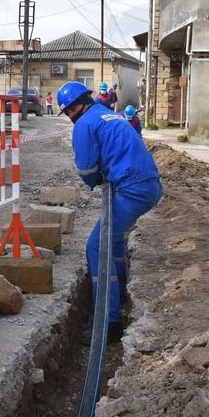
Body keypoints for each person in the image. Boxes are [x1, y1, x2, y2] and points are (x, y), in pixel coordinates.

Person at [57, 81, 162, 344]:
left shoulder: (84, 124)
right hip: (147, 183)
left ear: (77, 106)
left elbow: (86, 169)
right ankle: (121, 291)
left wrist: (96, 180)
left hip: (133, 189)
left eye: (69, 111)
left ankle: (108, 323)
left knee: (97, 246)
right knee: (112, 241)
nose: (70, 117)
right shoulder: (108, 115)